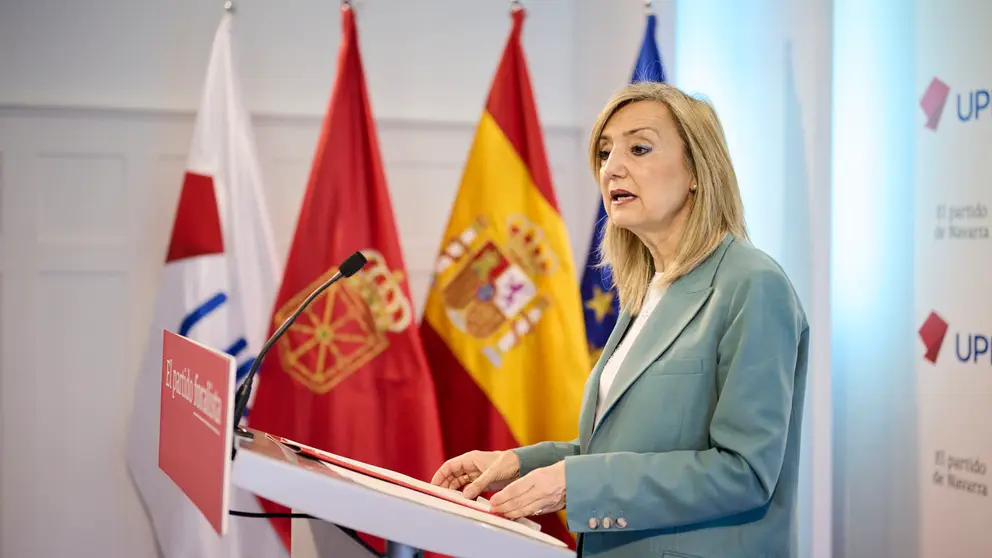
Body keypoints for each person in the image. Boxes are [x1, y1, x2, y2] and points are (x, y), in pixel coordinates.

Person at [430, 81, 810, 558]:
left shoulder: (753, 285)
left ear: (696, 169)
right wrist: (517, 464)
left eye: (640, 148)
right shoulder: (647, 291)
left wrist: (574, 483)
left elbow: (745, 473)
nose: (613, 167)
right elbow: (625, 448)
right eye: (605, 152)